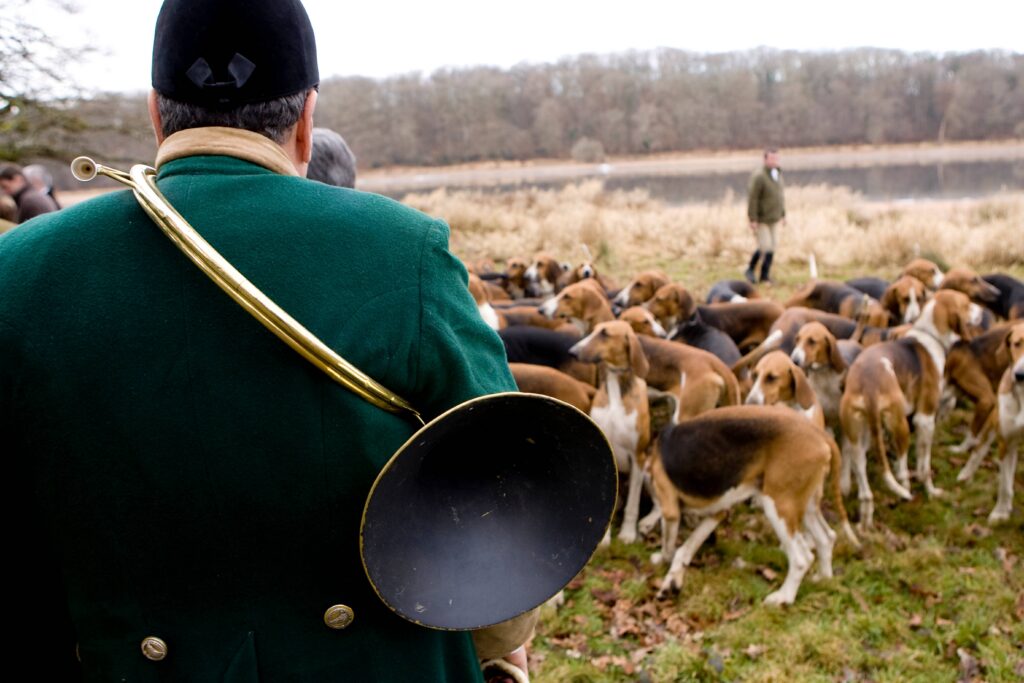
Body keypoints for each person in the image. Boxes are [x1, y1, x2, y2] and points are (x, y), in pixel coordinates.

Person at [0, 0, 534, 679]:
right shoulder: (408, 253)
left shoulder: (20, 269)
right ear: (306, 120)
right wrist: (502, 640)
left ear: (156, 114)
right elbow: (507, 484)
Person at [744, 148, 785, 284]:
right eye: (772, 158)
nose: (774, 161)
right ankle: (750, 269)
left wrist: (783, 214)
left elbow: (780, 197)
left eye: (776, 158)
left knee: (772, 247)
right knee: (765, 246)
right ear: (765, 159)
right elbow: (753, 198)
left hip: (774, 218)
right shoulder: (759, 176)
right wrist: (753, 218)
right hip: (761, 219)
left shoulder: (777, 174)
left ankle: (764, 276)